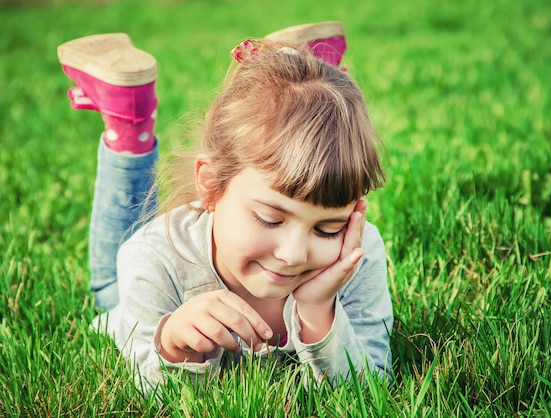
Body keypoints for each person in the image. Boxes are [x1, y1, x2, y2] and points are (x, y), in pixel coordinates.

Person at [57, 22, 393, 391]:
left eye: (327, 228)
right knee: (108, 290)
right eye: (269, 219)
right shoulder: (153, 259)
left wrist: (318, 310)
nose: (294, 255)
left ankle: (300, 73)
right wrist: (174, 347)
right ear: (211, 186)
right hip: (137, 283)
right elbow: (155, 395)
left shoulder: (354, 255)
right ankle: (128, 122)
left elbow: (371, 387)